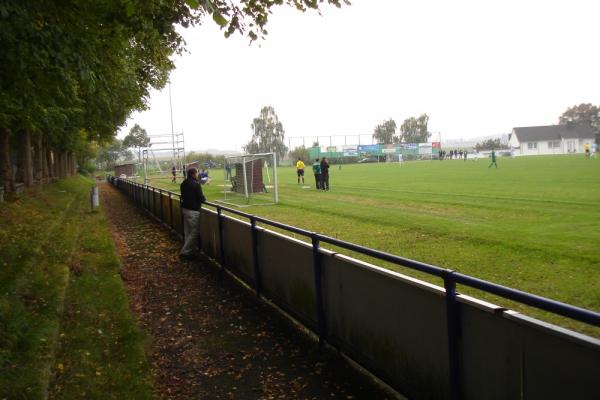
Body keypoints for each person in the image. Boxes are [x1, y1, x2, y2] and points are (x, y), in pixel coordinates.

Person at [179, 167, 206, 259]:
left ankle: (189, 252)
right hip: (193, 211)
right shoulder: (196, 184)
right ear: (193, 174)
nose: (198, 174)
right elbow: (201, 199)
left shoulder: (183, 183)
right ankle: (185, 252)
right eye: (197, 172)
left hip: (184, 209)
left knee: (188, 232)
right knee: (194, 232)